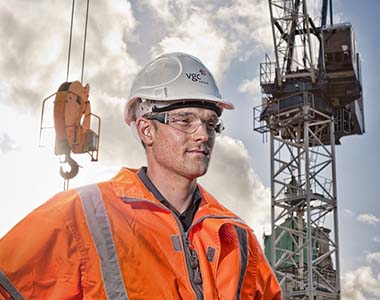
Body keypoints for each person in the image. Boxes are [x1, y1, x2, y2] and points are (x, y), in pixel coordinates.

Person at [0, 52, 282, 300]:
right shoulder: (82, 214)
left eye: (210, 123)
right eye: (185, 120)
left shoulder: (237, 238)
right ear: (147, 130)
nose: (203, 134)